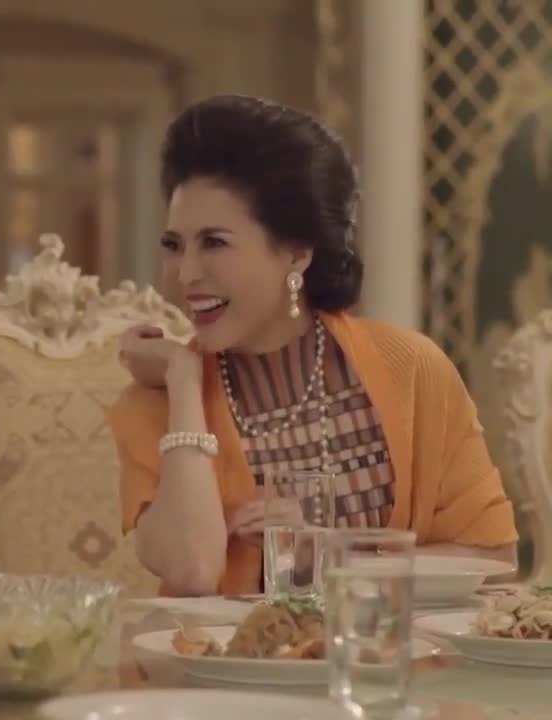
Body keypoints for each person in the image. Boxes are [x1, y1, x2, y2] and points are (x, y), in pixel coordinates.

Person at [107, 95, 518, 597]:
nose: (186, 274)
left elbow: (494, 559)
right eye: (174, 245)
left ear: (297, 253)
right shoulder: (160, 404)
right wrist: (184, 376)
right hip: (228, 653)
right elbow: (192, 571)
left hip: (385, 647)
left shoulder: (411, 370)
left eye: (214, 242)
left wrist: (328, 554)